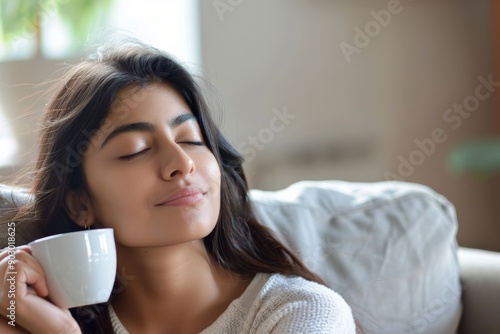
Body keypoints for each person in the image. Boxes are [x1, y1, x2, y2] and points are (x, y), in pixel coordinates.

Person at [0, 39, 356, 333]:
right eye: (135, 150)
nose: (181, 163)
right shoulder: (37, 319)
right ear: (79, 202)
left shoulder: (303, 314)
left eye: (190, 139)